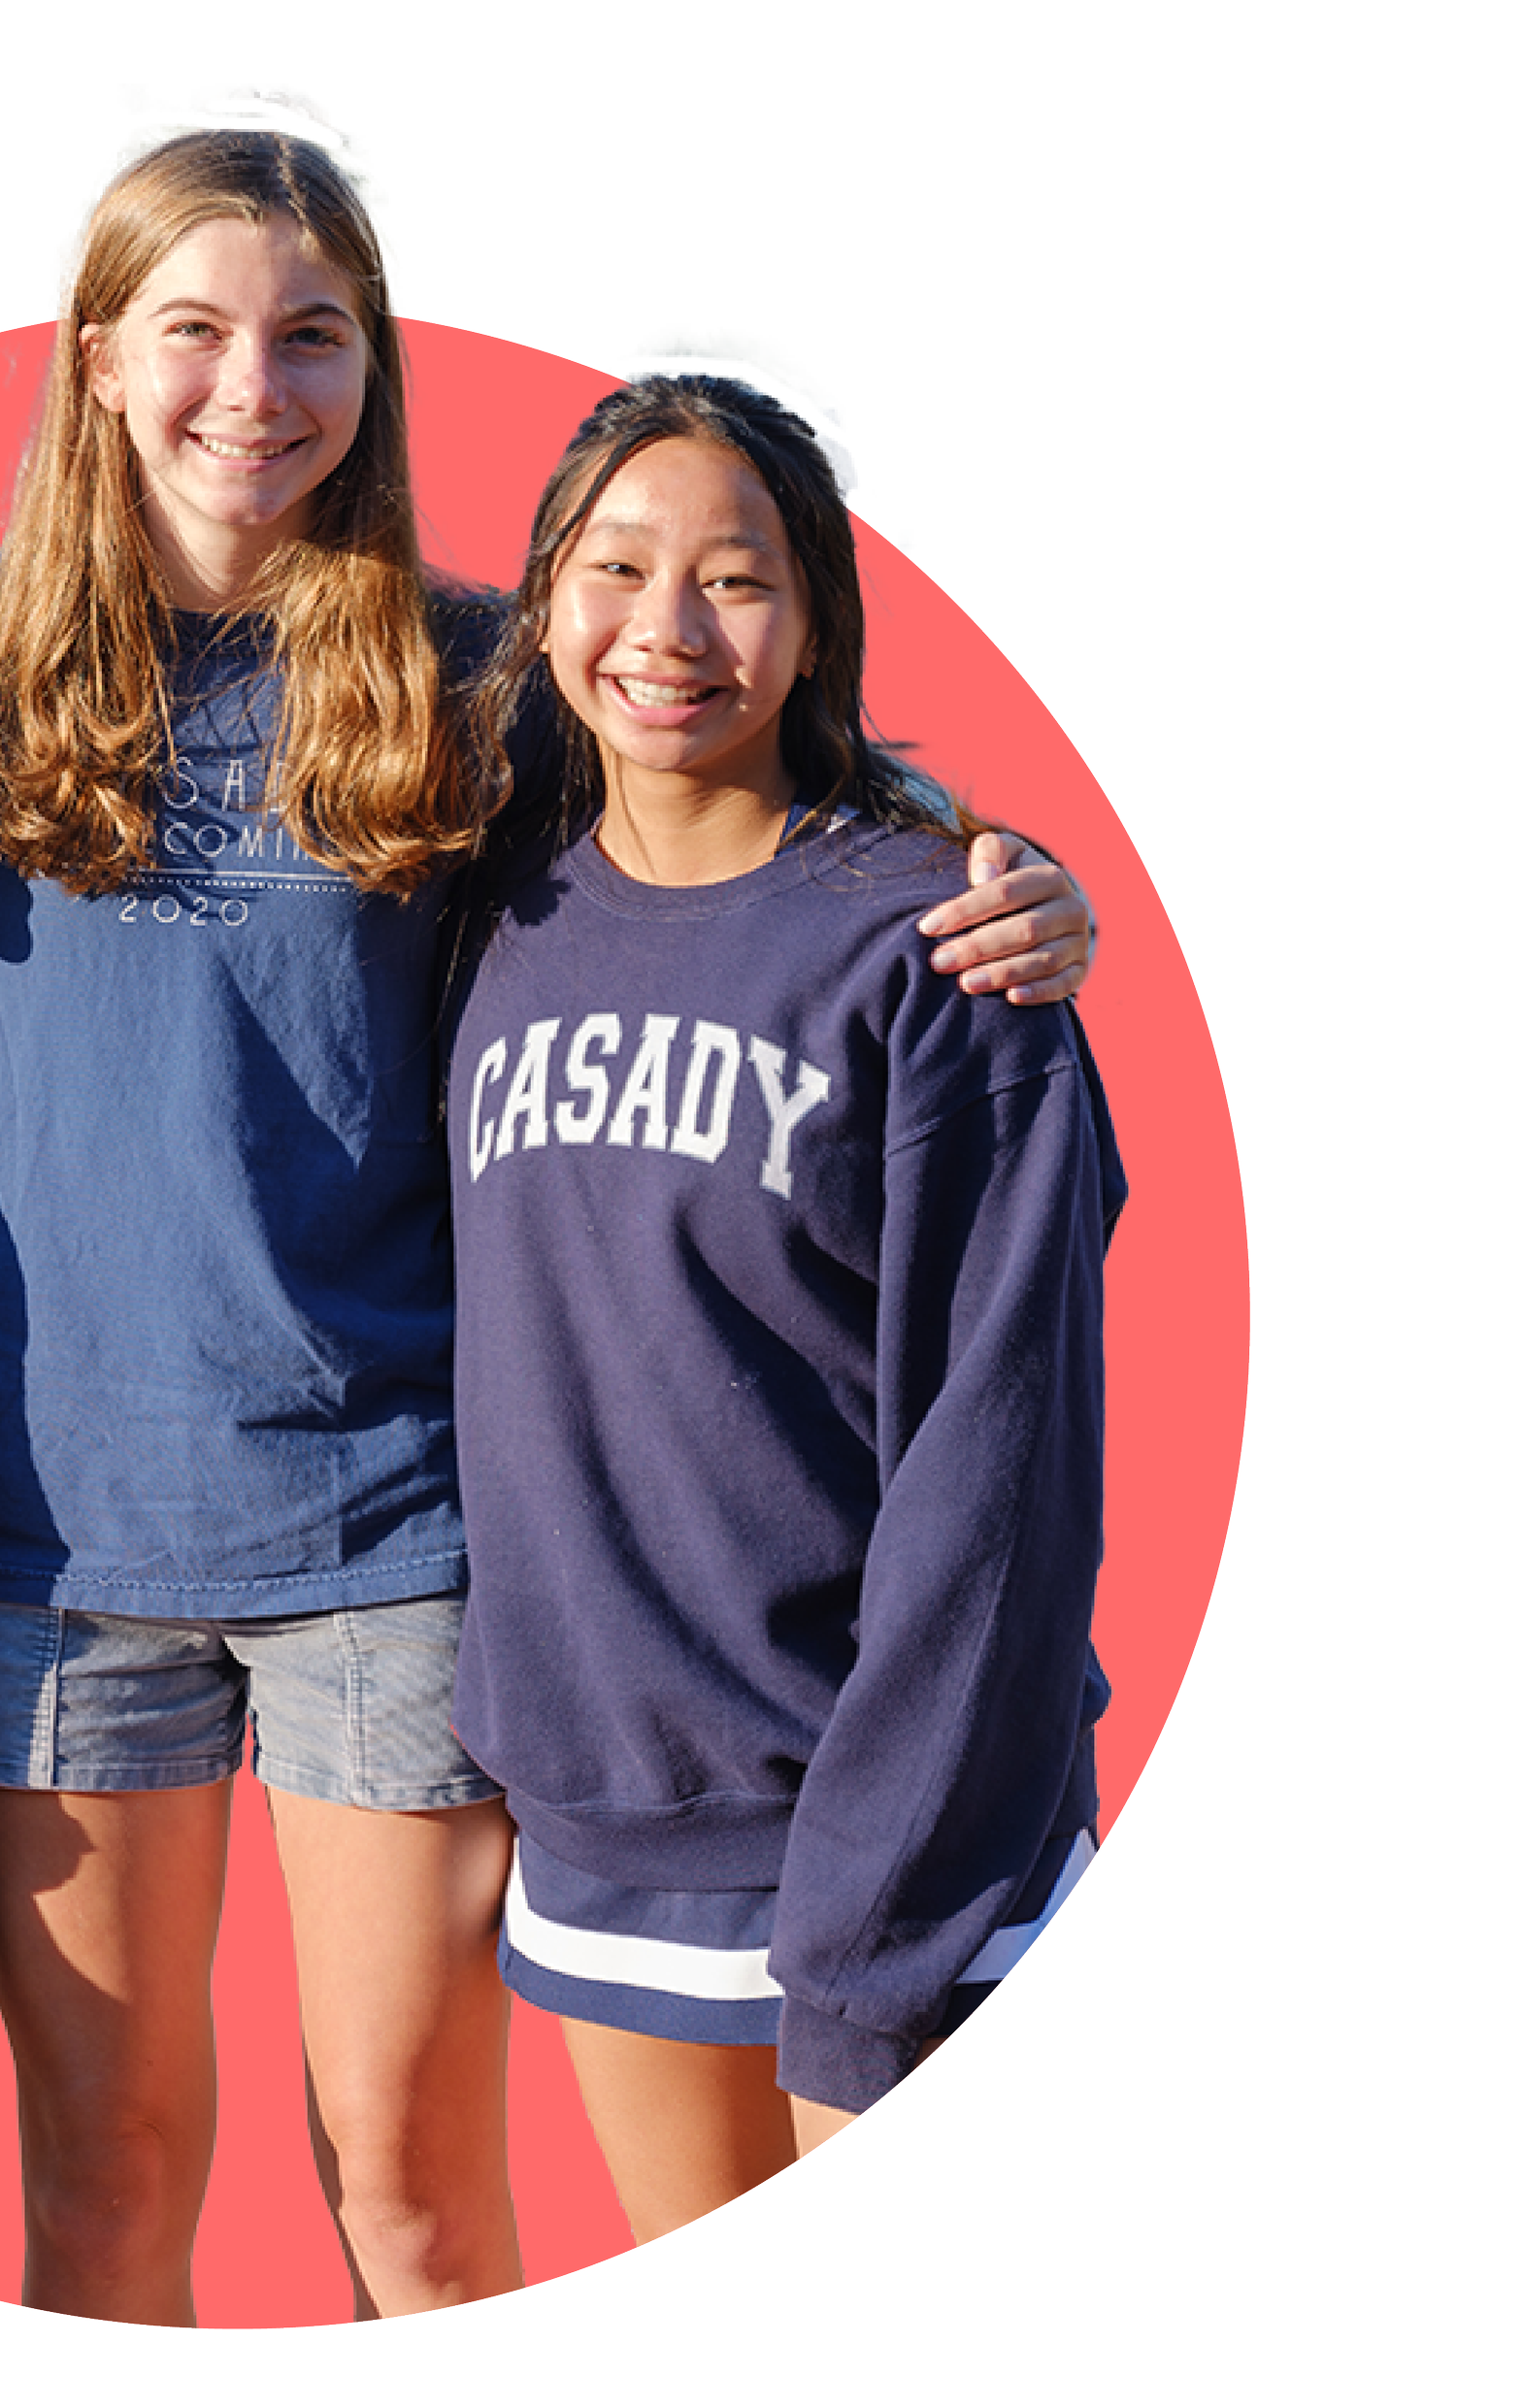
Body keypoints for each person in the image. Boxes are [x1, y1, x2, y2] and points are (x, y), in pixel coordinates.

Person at [0, 132, 1098, 2322]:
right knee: (105, 2185)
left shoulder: (469, 674)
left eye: (312, 336)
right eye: (191, 330)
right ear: (98, 357)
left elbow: (718, 788)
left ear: (373, 370)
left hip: (392, 1541)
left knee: (407, 2192)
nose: (250, 389)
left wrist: (983, 856)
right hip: (49, 1560)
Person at [447, 371, 1119, 2248]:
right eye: (615, 567)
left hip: (896, 1835)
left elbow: (1003, 1471)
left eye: (736, 579)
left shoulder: (940, 957)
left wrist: (878, 1920)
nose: (666, 628)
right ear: (543, 601)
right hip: (611, 1829)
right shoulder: (495, 920)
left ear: (817, 618)